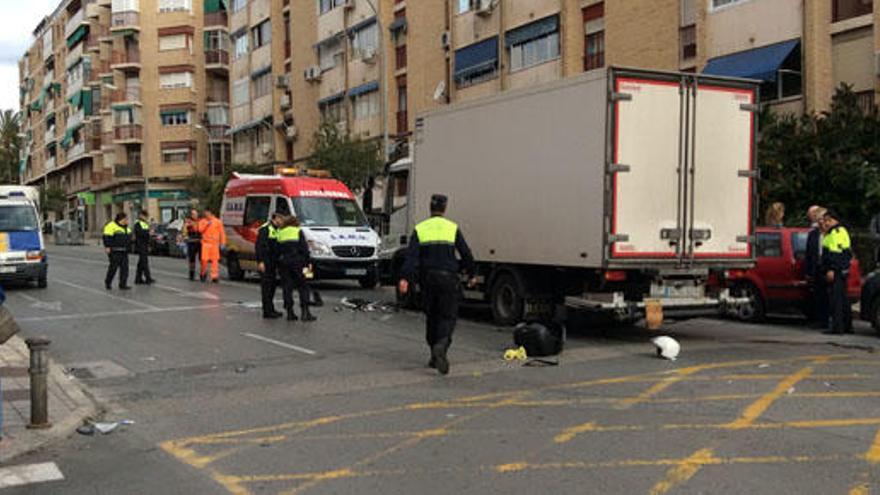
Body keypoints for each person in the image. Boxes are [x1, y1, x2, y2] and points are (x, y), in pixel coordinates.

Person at [399, 194, 476, 376]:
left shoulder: (421, 228)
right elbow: (466, 253)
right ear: (445, 208)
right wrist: (471, 273)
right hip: (449, 279)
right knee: (447, 317)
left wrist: (404, 278)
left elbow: (412, 257)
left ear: (430, 208)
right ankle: (441, 345)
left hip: (428, 280)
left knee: (431, 316)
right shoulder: (452, 228)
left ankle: (434, 355)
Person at [276, 215, 316, 322]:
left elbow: (277, 250)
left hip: (284, 263)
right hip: (299, 263)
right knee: (304, 286)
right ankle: (305, 312)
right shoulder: (298, 231)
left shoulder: (281, 232)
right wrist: (308, 264)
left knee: (287, 288)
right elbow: (304, 249)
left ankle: (290, 313)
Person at [821, 210, 854, 335]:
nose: (826, 223)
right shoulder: (832, 233)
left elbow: (836, 254)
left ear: (835, 220)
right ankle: (846, 326)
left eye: (828, 220)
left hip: (837, 271)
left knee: (837, 300)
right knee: (842, 299)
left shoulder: (836, 232)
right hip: (839, 270)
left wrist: (832, 270)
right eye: (825, 220)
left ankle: (838, 327)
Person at [804, 205, 828, 328]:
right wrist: (808, 271)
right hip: (817, 268)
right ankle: (821, 320)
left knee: (829, 296)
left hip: (828, 268)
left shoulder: (831, 234)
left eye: (822, 219)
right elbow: (808, 253)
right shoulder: (813, 234)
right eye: (818, 219)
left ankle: (830, 320)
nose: (820, 222)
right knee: (818, 295)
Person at [257, 213, 283, 319]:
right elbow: (259, 246)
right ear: (275, 218)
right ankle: (267, 311)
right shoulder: (265, 229)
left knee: (272, 286)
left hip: (273, 262)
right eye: (280, 219)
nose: (281, 221)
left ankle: (271, 309)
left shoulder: (277, 229)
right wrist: (260, 261)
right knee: (267, 287)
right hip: (266, 261)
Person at [103, 212, 131, 290]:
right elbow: (106, 237)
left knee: (124, 269)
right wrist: (107, 247)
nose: (127, 220)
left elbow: (129, 238)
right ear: (121, 219)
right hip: (115, 251)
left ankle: (123, 284)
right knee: (113, 268)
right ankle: (108, 282)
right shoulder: (111, 226)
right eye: (126, 219)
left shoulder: (126, 228)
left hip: (124, 251)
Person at [198, 208, 226, 283]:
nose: (205, 214)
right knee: (204, 260)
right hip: (205, 243)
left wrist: (222, 243)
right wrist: (207, 225)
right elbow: (200, 230)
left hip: (214, 244)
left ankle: (214, 276)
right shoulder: (202, 221)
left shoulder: (217, 222)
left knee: (215, 260)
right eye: (205, 213)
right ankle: (203, 273)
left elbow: (222, 233)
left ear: (210, 213)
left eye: (207, 213)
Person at [133, 210, 155, 285]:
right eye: (145, 216)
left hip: (145, 244)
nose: (146, 218)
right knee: (144, 262)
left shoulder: (145, 224)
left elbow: (147, 236)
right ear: (141, 216)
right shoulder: (138, 224)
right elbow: (139, 233)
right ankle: (148, 278)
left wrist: (149, 244)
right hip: (140, 244)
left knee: (141, 262)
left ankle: (138, 278)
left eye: (146, 216)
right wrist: (148, 232)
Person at [182, 209, 202, 280]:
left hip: (200, 242)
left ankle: (202, 274)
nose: (195, 215)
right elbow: (184, 230)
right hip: (192, 242)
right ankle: (192, 274)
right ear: (191, 215)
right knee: (192, 259)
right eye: (193, 214)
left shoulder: (200, 221)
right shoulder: (188, 222)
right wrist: (185, 236)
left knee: (202, 259)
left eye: (196, 214)